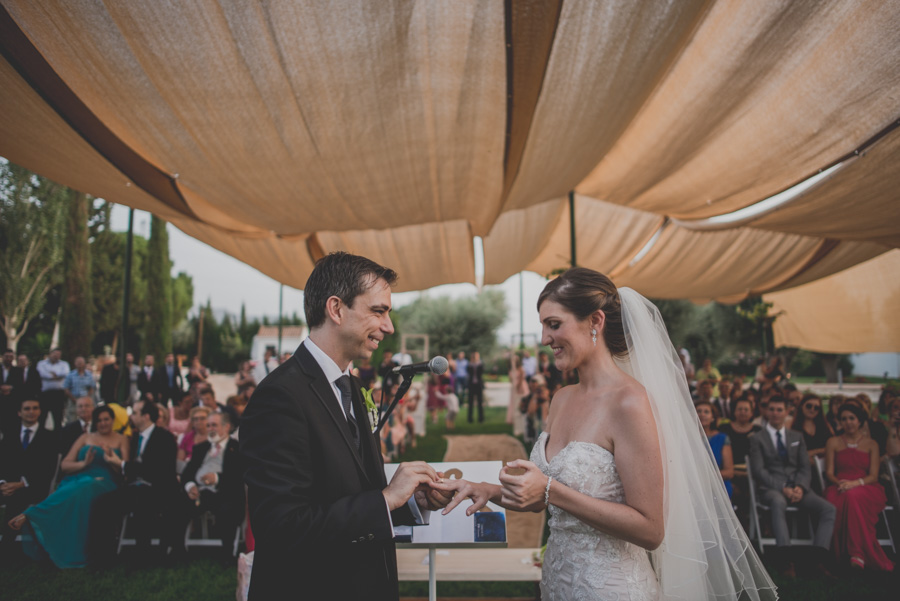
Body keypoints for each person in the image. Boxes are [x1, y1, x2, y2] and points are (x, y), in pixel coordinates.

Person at [435, 268, 775, 600]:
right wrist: (485, 489)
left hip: (611, 587)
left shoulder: (630, 403)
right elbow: (541, 499)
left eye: (554, 324)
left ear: (595, 322)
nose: (544, 339)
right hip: (556, 580)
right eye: (543, 326)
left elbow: (651, 529)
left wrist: (551, 490)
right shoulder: (561, 399)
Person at [241, 252, 452, 601]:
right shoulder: (279, 397)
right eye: (378, 311)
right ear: (336, 309)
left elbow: (347, 491)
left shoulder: (350, 387)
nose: (389, 327)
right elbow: (280, 528)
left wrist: (407, 500)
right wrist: (385, 500)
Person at [7, 405, 126, 568]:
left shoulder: (122, 439)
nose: (103, 423)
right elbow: (65, 465)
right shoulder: (85, 437)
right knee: (77, 487)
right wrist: (84, 463)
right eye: (99, 420)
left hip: (105, 482)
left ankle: (32, 513)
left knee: (87, 485)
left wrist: (111, 458)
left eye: (106, 419)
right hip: (78, 477)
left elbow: (124, 470)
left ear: (112, 420)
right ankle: (37, 518)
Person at [749, 396, 836, 578]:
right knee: (778, 502)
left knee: (828, 509)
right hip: (771, 488)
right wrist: (783, 487)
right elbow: (759, 471)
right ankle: (785, 558)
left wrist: (800, 487)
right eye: (771, 409)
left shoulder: (797, 437)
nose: (775, 413)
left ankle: (817, 558)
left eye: (779, 409)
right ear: (766, 412)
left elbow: (805, 466)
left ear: (787, 412)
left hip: (798, 487)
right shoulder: (757, 438)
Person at [100, 399, 181, 561]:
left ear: (146, 416)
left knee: (142, 501)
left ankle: (142, 554)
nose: (131, 416)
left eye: (135, 413)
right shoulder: (135, 437)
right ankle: (105, 553)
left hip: (158, 489)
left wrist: (121, 464)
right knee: (104, 503)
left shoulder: (164, 437)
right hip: (136, 486)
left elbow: (155, 470)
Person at [823, 402, 893, 571]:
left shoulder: (872, 444)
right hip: (839, 485)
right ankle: (842, 554)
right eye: (844, 419)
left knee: (853, 496)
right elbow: (829, 472)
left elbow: (873, 475)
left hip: (866, 485)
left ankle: (857, 553)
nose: (848, 422)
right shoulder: (833, 442)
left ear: (860, 421)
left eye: (852, 418)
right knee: (835, 499)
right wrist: (839, 482)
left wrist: (855, 483)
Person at [0, 398, 59, 560]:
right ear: (20, 413)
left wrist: (20, 484)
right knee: (12, 495)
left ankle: (6, 546)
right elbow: (2, 462)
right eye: (27, 409)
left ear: (40, 412)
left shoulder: (49, 437)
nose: (31, 412)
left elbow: (48, 469)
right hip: (7, 486)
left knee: (16, 498)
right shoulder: (10, 434)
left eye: (35, 408)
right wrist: (3, 483)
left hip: (35, 486)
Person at [180, 412, 244, 557]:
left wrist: (216, 478)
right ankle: (177, 549)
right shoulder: (201, 448)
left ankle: (227, 553)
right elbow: (187, 474)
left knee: (228, 509)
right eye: (208, 425)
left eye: (214, 425)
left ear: (226, 427)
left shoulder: (238, 448)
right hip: (199, 492)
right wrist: (191, 486)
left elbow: (239, 476)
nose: (210, 429)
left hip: (225, 493)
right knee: (177, 504)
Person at [696, 401, 733, 498]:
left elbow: (729, 472)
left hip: (718, 484)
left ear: (713, 418)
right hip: (694, 485)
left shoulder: (722, 438)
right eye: (698, 411)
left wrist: (706, 477)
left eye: (706, 412)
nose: (702, 414)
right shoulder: (687, 438)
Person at [791, 393, 833, 461]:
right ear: (802, 406)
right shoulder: (792, 426)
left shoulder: (825, 426)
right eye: (809, 406)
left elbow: (832, 447)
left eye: (816, 408)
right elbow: (794, 454)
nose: (812, 409)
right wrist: (818, 451)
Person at [36, 348, 69, 430]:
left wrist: (54, 374)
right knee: (42, 417)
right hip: (45, 394)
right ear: (50, 354)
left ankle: (57, 438)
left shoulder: (64, 364)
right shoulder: (42, 364)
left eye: (58, 355)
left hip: (58, 394)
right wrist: (57, 376)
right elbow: (42, 374)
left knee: (58, 418)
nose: (56, 356)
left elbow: (66, 374)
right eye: (54, 354)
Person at [177, 406, 211, 473]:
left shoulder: (214, 437)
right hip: (187, 469)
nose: (198, 421)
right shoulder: (187, 437)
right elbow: (180, 460)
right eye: (195, 419)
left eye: (202, 418)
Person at [507, 353, 528, 431]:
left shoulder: (520, 369)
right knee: (513, 402)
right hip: (514, 387)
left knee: (520, 401)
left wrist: (518, 387)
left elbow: (522, 378)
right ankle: (512, 419)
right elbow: (510, 379)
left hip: (520, 387)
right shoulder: (511, 369)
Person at [467, 351, 485, 423]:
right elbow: (468, 371)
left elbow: (482, 371)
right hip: (471, 384)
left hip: (478, 385)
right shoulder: (470, 364)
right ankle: (470, 418)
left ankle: (481, 418)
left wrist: (477, 363)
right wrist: (471, 363)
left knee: (480, 402)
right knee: (470, 402)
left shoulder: (480, 364)